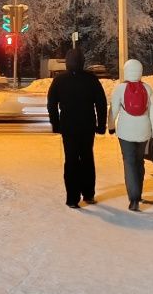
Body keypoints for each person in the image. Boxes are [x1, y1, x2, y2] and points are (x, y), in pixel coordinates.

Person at [46, 48, 107, 208]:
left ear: (67, 62)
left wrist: (56, 124)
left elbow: (52, 104)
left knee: (71, 160)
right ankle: (88, 193)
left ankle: (72, 198)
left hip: (68, 126)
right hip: (87, 125)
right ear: (82, 62)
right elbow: (101, 103)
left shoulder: (59, 80)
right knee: (87, 158)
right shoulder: (91, 79)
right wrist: (101, 125)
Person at [107, 59, 153, 211]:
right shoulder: (147, 89)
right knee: (139, 161)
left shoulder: (120, 89)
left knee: (129, 163)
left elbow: (113, 111)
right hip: (143, 131)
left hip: (125, 132)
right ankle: (139, 193)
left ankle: (134, 198)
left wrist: (110, 127)